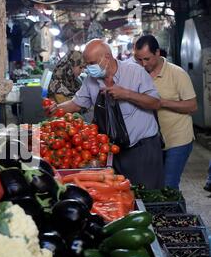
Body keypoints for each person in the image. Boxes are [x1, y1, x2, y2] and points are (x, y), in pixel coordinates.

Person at [50, 39, 164, 189]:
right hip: (112, 151)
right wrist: (56, 108)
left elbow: (155, 103)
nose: (88, 68)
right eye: (86, 64)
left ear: (107, 57)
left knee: (147, 195)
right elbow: (76, 103)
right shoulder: (91, 81)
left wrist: (126, 94)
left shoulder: (135, 72)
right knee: (119, 195)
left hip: (142, 150)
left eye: (92, 63)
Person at [134, 35, 198, 190]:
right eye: (139, 59)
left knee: (169, 186)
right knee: (155, 185)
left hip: (178, 140)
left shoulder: (177, 74)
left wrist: (161, 102)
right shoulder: (138, 73)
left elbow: (192, 106)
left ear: (157, 53)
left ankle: (177, 213)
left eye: (147, 59)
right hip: (152, 142)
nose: (143, 64)